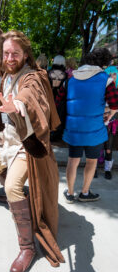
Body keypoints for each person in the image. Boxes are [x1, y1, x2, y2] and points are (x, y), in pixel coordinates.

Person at [0, 9, 64, 272]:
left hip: (27, 142)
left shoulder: (32, 76)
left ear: (25, 55)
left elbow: (31, 95)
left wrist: (19, 105)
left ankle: (27, 247)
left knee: (12, 187)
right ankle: (21, 199)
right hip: (10, 139)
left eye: (15, 54)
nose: (9, 58)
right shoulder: (6, 68)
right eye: (6, 54)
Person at [55, 48, 118, 203]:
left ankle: (69, 193)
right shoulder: (106, 79)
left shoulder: (70, 80)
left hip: (73, 129)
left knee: (72, 161)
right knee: (91, 161)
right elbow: (115, 104)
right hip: (95, 129)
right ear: (103, 63)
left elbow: (58, 101)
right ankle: (84, 193)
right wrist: (108, 116)